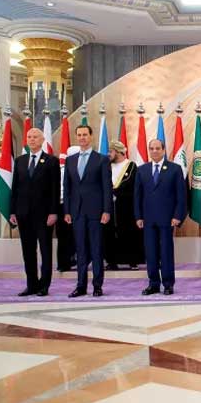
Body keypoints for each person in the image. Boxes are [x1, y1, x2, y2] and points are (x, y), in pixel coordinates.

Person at [63, 125, 112, 298]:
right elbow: (67, 187)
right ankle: (80, 286)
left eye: (85, 134)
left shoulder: (101, 159)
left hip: (96, 212)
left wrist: (107, 210)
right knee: (80, 250)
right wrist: (67, 210)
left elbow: (107, 187)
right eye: (79, 135)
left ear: (91, 136)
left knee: (96, 249)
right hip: (76, 212)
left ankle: (97, 286)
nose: (82, 137)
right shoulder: (70, 160)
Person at [10, 128, 60, 297]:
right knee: (28, 251)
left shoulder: (51, 161)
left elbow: (55, 190)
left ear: (42, 139)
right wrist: (12, 212)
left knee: (45, 251)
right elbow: (15, 188)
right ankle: (31, 284)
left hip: (44, 215)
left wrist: (54, 212)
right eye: (29, 137)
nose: (31, 140)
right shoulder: (20, 161)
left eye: (35, 137)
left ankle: (44, 286)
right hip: (23, 214)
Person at [134, 139, 187, 295]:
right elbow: (137, 196)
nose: (154, 151)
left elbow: (181, 196)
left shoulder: (175, 169)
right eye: (151, 148)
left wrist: (178, 215)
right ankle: (153, 284)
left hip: (167, 219)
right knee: (150, 253)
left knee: (166, 252)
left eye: (158, 148)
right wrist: (138, 216)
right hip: (148, 220)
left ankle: (168, 284)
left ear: (164, 150)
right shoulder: (142, 170)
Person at [104, 141, 143, 270]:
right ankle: (112, 261)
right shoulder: (106, 166)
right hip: (110, 207)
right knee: (110, 234)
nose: (108, 154)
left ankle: (132, 261)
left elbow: (133, 185)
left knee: (129, 233)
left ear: (119, 151)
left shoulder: (131, 166)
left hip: (127, 207)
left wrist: (116, 192)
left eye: (111, 151)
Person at [56, 145, 79, 273]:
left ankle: (75, 260)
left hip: (78, 206)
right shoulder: (61, 169)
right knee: (64, 236)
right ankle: (64, 262)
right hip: (64, 206)